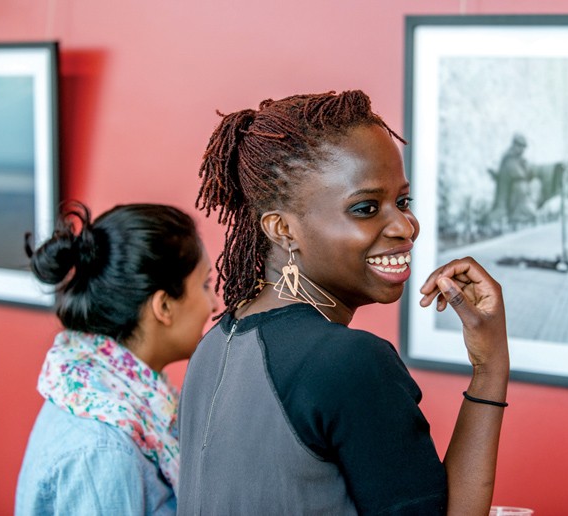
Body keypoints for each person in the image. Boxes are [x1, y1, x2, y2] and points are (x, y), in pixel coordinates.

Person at [177, 91, 509, 515]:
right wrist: (491, 365)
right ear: (282, 229)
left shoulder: (214, 346)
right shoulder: (349, 361)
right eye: (366, 208)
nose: (405, 226)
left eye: (403, 202)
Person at [15, 202, 218, 515]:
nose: (214, 303)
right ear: (163, 306)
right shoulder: (104, 449)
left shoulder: (114, 395)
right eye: (205, 285)